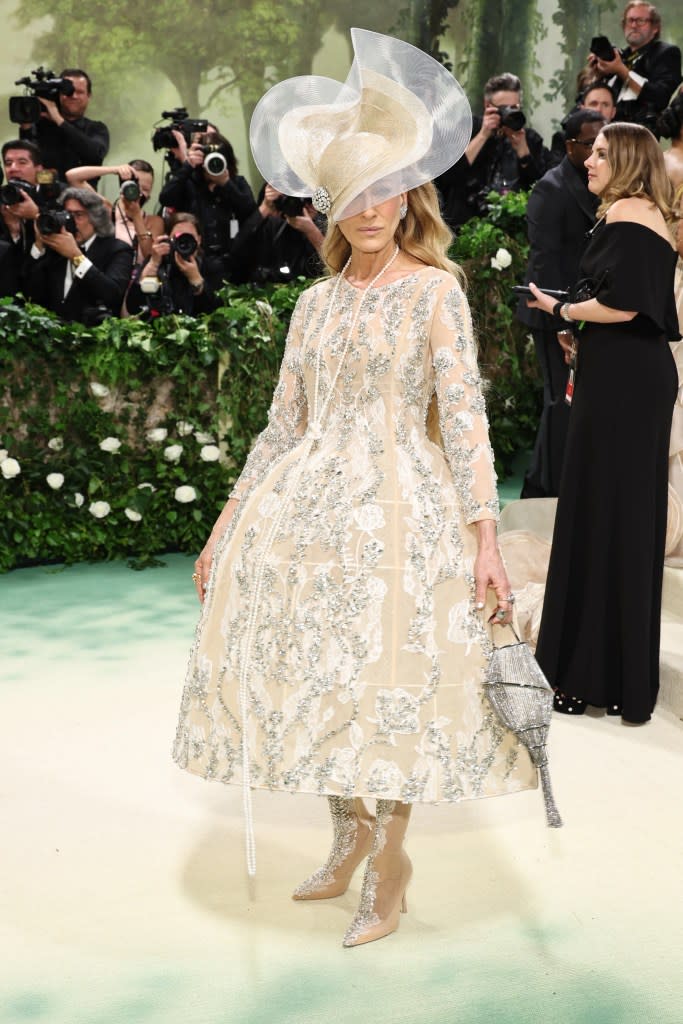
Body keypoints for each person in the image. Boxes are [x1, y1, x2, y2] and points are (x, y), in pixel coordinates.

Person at [172, 28, 538, 949]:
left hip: (401, 511)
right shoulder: (313, 303)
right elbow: (281, 427)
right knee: (318, 674)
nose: (368, 208)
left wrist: (485, 534)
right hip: (304, 515)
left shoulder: (434, 291)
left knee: (395, 679)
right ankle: (345, 833)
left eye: (383, 188)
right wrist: (224, 528)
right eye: (350, 193)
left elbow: (462, 419)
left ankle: (391, 862)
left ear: (407, 193)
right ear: (328, 205)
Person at [527, 122, 679, 723]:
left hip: (624, 386)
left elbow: (627, 303)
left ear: (627, 160)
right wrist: (576, 322)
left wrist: (561, 307)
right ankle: (614, 678)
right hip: (623, 375)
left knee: (602, 513)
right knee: (611, 515)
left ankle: (588, 674)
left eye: (598, 153)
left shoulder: (630, 216)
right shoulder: (638, 214)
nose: (587, 160)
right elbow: (622, 301)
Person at [517, 109, 605, 498]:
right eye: (589, 144)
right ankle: (541, 493)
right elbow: (545, 262)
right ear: (570, 145)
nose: (595, 153)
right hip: (553, 316)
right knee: (559, 404)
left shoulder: (598, 183)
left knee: (571, 407)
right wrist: (563, 321)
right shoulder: (550, 189)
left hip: (585, 312)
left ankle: (562, 486)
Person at [436, 72, 548, 229]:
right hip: (466, 225)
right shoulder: (468, 129)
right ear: (488, 106)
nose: (509, 113)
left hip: (513, 228)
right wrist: (483, 135)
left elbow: (540, 191)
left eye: (514, 107)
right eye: (503, 108)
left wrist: (524, 154)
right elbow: (447, 177)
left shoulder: (530, 139)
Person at [158, 129, 256, 286]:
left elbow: (250, 211)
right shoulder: (188, 183)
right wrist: (188, 165)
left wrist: (226, 184)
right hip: (195, 261)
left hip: (233, 262)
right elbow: (166, 198)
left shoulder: (237, 183)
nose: (214, 164)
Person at [25, 186, 133, 323]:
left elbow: (112, 294)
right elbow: (30, 294)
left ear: (96, 219)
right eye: (67, 214)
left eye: (78, 215)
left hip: (95, 337)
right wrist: (39, 245)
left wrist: (76, 256)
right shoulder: (56, 249)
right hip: (53, 336)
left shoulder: (117, 249)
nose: (70, 220)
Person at [589, 3, 681, 132]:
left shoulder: (666, 53)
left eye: (640, 21)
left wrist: (621, 71)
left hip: (640, 136)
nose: (633, 25)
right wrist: (598, 75)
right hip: (607, 133)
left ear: (655, 27)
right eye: (630, 20)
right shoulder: (619, 56)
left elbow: (660, 97)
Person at [66, 160, 164, 266]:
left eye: (145, 189)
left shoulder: (154, 221)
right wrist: (114, 169)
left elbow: (150, 257)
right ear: (123, 185)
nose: (138, 192)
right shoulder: (107, 210)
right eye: (135, 186)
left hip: (139, 280)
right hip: (109, 277)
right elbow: (72, 177)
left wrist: (137, 217)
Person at [19, 68, 109, 182]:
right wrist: (26, 127)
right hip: (42, 196)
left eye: (80, 92)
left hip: (82, 197)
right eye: (68, 92)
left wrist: (59, 120)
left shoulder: (97, 129)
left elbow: (95, 156)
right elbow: (25, 163)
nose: (74, 96)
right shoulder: (40, 127)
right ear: (59, 95)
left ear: (89, 96)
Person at [126, 212, 220, 317]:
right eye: (178, 237)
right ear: (169, 238)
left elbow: (213, 312)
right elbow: (134, 307)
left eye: (189, 237)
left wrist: (196, 279)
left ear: (199, 239)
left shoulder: (210, 266)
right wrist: (153, 266)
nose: (184, 242)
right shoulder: (158, 263)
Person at [229, 183, 324, 284]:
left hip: (310, 285)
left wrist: (312, 231)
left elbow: (333, 264)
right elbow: (236, 252)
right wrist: (265, 207)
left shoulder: (321, 222)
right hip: (271, 286)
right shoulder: (272, 223)